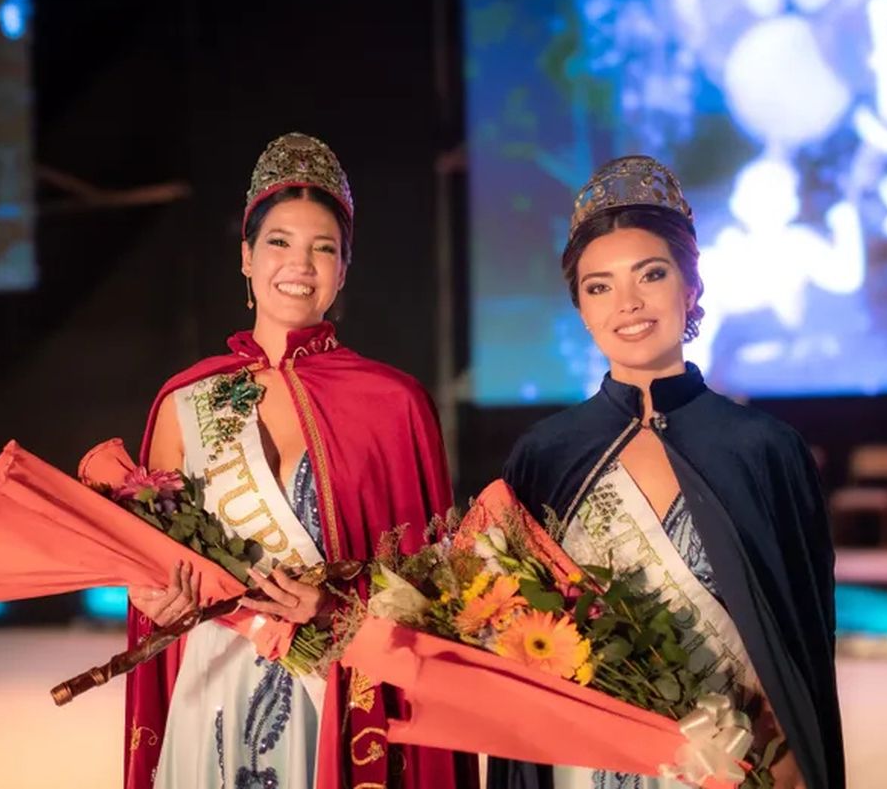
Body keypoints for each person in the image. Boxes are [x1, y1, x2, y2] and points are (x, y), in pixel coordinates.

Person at [123, 132, 475, 789]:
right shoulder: (186, 402)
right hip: (214, 687)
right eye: (279, 241)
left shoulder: (394, 403)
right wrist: (157, 601)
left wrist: (337, 606)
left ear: (345, 267)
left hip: (336, 694)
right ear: (246, 255)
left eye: (324, 248)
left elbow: (435, 587)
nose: (300, 264)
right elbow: (154, 573)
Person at [488, 156, 843, 789]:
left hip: (730, 761)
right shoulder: (545, 455)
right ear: (581, 307)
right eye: (599, 287)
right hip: (585, 759)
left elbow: (801, 636)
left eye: (650, 274)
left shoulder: (764, 449)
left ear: (692, 287)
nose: (628, 303)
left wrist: (789, 751)